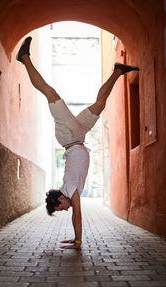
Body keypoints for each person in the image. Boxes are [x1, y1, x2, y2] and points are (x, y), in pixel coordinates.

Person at [16, 36, 139, 249]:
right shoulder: (70, 189)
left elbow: (78, 216)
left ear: (60, 200)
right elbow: (76, 215)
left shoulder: (70, 187)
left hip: (69, 135)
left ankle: (24, 58)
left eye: (60, 208)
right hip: (78, 136)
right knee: (100, 105)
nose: (65, 210)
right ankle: (118, 71)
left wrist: (78, 242)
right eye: (62, 210)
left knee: (51, 93)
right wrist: (75, 238)